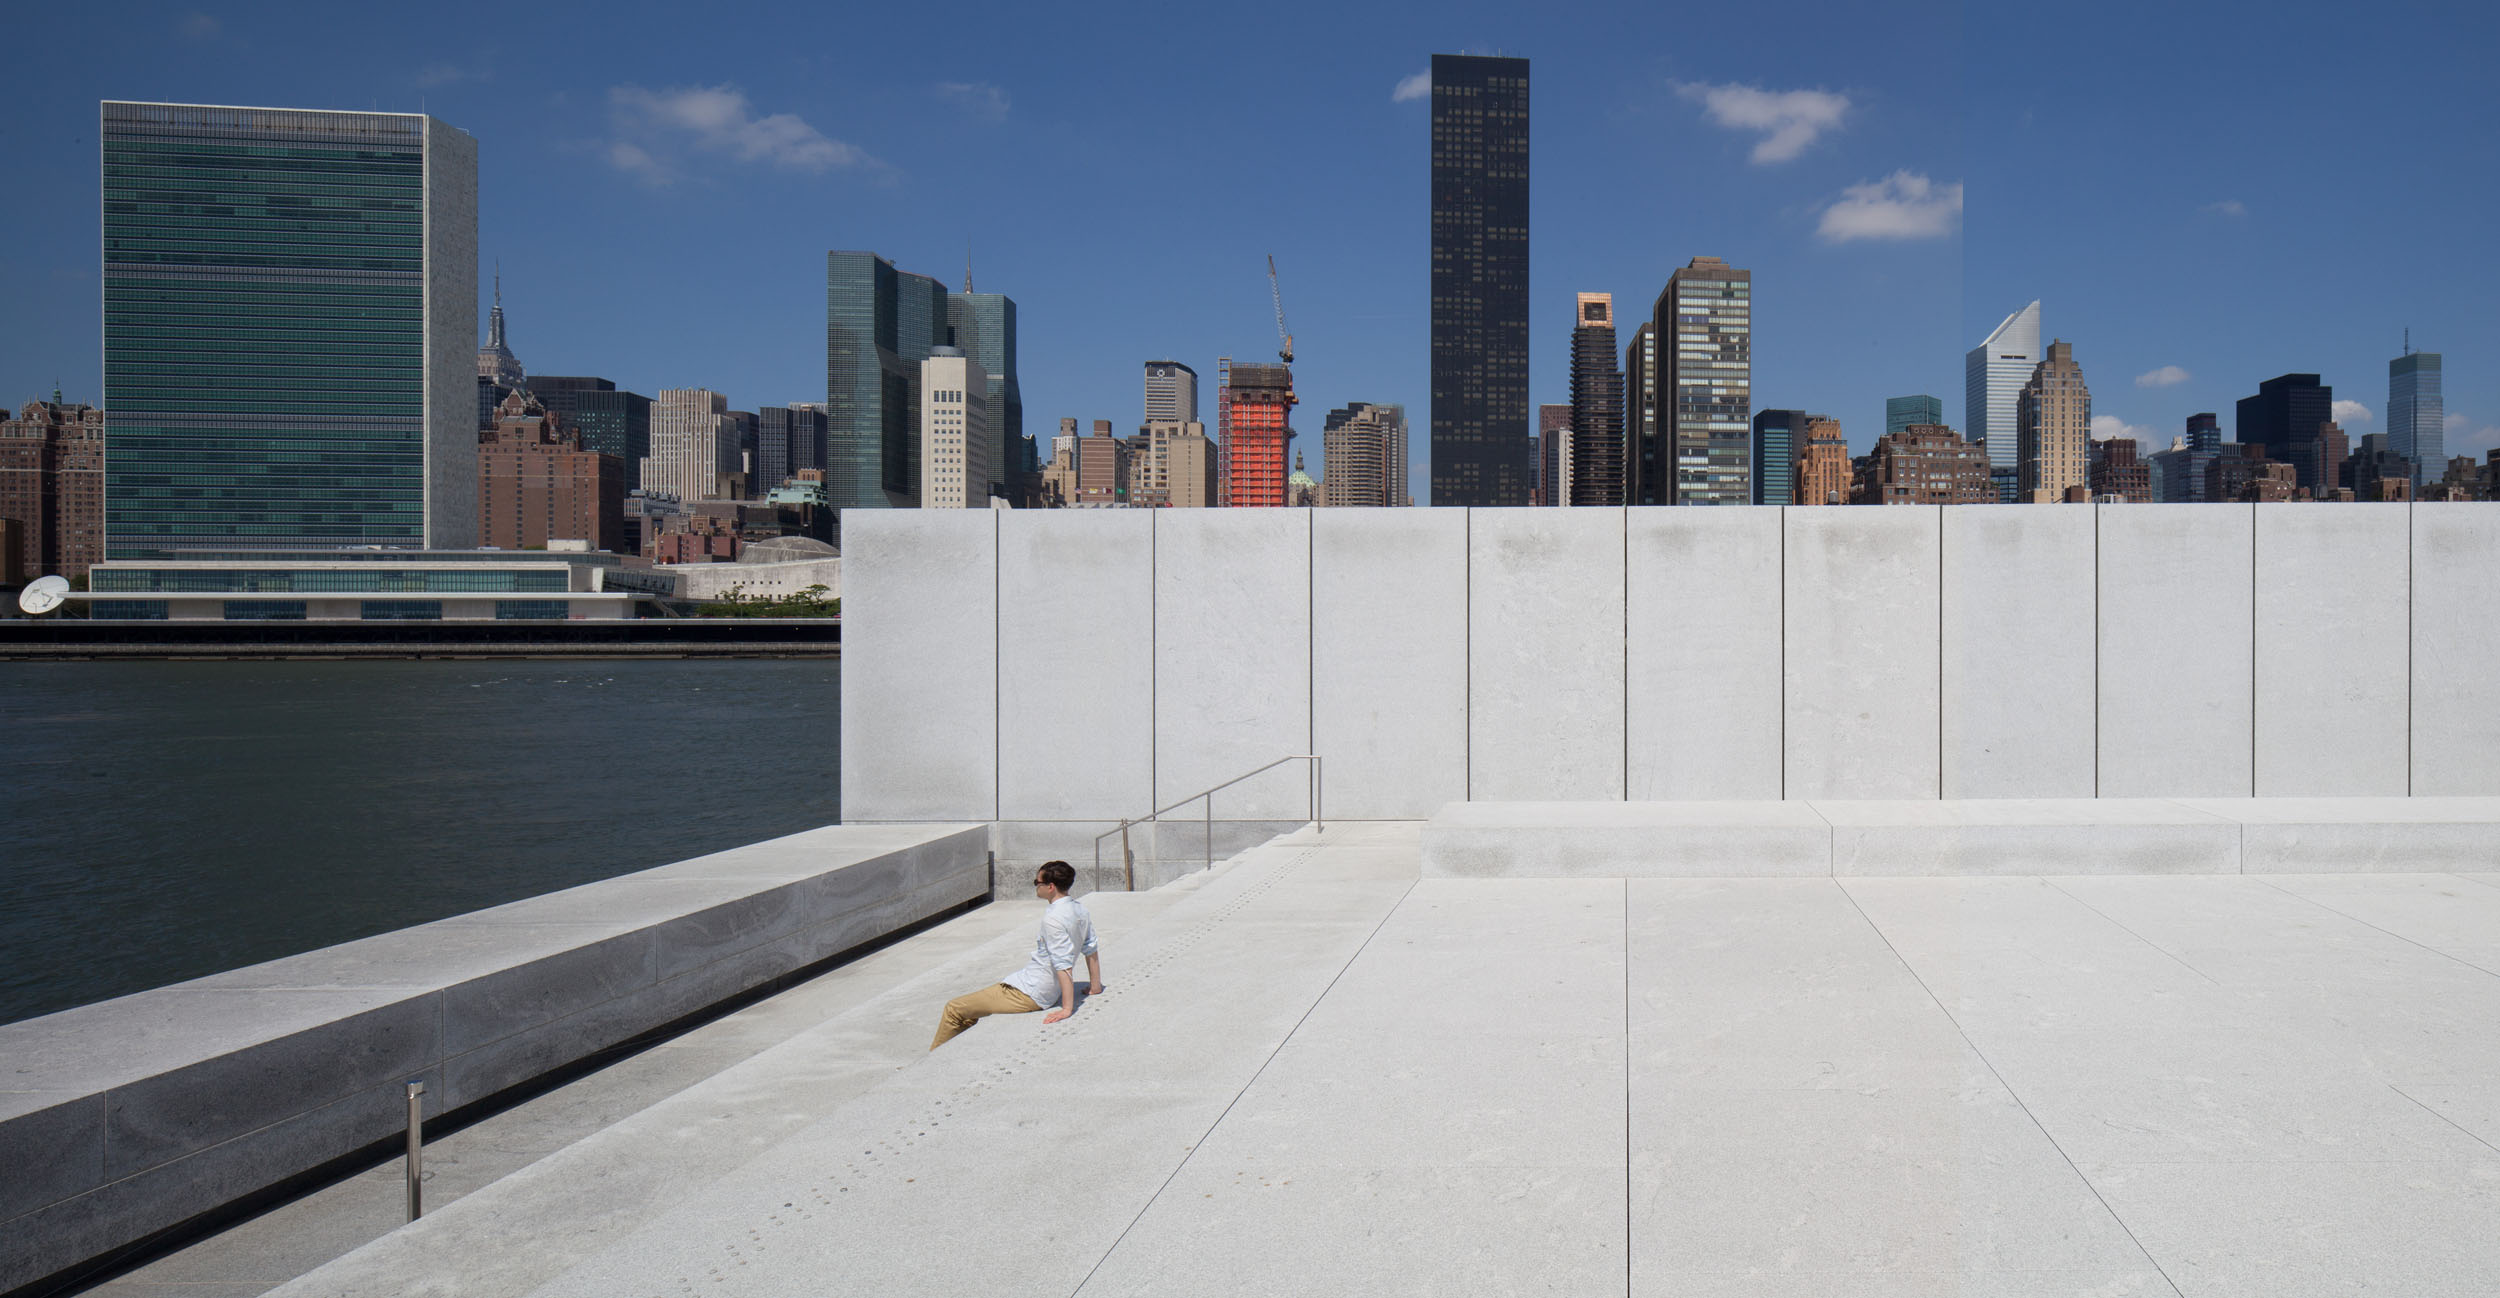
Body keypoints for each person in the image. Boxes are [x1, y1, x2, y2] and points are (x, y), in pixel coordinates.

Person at [930, 859, 1102, 1050]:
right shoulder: (1080, 909)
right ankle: (951, 1053)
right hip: (1030, 984)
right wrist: (1095, 986)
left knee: (954, 1009)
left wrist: (1067, 1009)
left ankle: (927, 1068)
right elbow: (1090, 947)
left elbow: (1063, 964)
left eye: (1037, 883)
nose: (1036, 886)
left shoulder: (1053, 919)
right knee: (969, 1012)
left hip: (1030, 992)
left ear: (1050, 887)